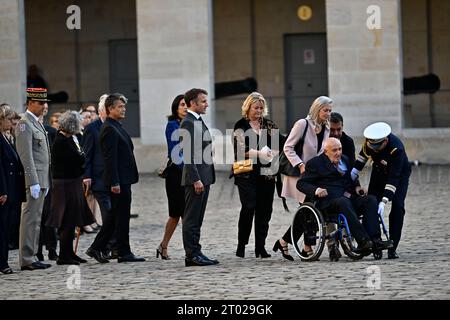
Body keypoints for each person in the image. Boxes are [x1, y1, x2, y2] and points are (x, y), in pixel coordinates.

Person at [297, 138, 393, 256]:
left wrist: (357, 187)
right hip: (328, 203)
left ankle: (376, 240)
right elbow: (301, 183)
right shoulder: (315, 163)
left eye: (340, 149)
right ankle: (363, 240)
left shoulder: (345, 159)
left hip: (347, 199)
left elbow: (351, 178)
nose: (338, 153)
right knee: (343, 202)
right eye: (334, 150)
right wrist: (316, 190)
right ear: (325, 151)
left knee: (370, 199)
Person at [86, 93, 145, 263]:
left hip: (124, 179)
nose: (124, 109)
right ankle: (121, 251)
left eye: (124, 106)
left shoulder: (116, 126)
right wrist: (114, 182)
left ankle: (103, 248)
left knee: (116, 217)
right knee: (119, 217)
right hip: (118, 181)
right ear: (110, 109)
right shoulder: (109, 129)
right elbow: (109, 159)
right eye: (120, 106)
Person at [274, 96, 332, 261]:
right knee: (308, 210)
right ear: (316, 109)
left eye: (330, 111)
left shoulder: (326, 128)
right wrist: (300, 164)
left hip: (315, 175)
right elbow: (288, 147)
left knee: (307, 211)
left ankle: (284, 241)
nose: (328, 114)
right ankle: (308, 246)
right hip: (298, 175)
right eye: (325, 110)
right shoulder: (302, 124)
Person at [351, 122, 411, 259]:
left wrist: (384, 201)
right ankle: (374, 243)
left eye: (378, 146)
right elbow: (361, 160)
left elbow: (394, 178)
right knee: (370, 203)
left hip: (399, 175)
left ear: (386, 140)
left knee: (398, 207)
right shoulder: (370, 142)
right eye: (372, 146)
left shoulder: (397, 149)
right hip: (379, 172)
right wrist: (351, 176)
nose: (375, 149)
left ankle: (393, 246)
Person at [232, 92, 279, 259]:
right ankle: (241, 244)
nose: (258, 111)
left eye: (261, 108)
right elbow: (241, 150)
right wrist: (261, 153)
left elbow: (278, 144)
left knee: (265, 210)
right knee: (249, 206)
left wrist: (274, 151)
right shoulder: (240, 125)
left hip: (266, 173)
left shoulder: (269, 125)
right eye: (255, 107)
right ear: (248, 107)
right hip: (246, 173)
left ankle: (261, 246)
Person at [45, 111, 95, 265]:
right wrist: (81, 158)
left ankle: (69, 252)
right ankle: (64, 256)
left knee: (72, 220)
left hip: (72, 182)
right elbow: (78, 158)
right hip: (65, 184)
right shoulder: (61, 141)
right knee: (66, 221)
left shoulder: (69, 139)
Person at [15, 88, 52, 271]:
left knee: (36, 219)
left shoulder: (36, 123)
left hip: (42, 179)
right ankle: (27, 258)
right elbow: (26, 156)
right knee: (30, 219)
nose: (44, 106)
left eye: (45, 103)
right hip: (34, 180)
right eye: (40, 103)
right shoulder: (24, 124)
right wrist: (33, 181)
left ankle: (32, 255)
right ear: (30, 103)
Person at [180, 88, 218, 267]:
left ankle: (197, 251)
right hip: (196, 179)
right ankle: (191, 255)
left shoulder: (197, 120)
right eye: (203, 101)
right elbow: (187, 155)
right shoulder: (188, 122)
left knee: (198, 218)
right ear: (193, 103)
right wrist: (196, 179)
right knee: (191, 219)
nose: (207, 104)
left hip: (204, 176)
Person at [82, 94, 116, 258]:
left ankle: (109, 246)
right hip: (99, 178)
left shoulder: (114, 125)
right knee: (108, 215)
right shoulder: (92, 128)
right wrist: (86, 175)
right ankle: (100, 247)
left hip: (113, 178)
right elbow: (87, 155)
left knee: (113, 215)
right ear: (103, 110)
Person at [157, 94, 187, 260]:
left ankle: (188, 248)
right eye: (181, 104)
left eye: (186, 104)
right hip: (176, 174)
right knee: (176, 214)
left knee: (186, 214)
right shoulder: (172, 125)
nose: (184, 107)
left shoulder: (191, 123)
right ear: (176, 107)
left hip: (189, 173)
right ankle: (164, 245)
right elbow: (175, 152)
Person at [0, 107, 26, 274]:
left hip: (11, 188)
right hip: (4, 189)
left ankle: (3, 260)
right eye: (9, 120)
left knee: (6, 227)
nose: (11, 124)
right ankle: (2, 263)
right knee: (2, 228)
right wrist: (2, 191)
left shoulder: (7, 137)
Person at [37, 103, 58, 261]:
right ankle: (37, 251)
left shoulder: (51, 132)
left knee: (50, 216)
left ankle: (52, 249)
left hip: (51, 178)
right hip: (37, 178)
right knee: (38, 217)